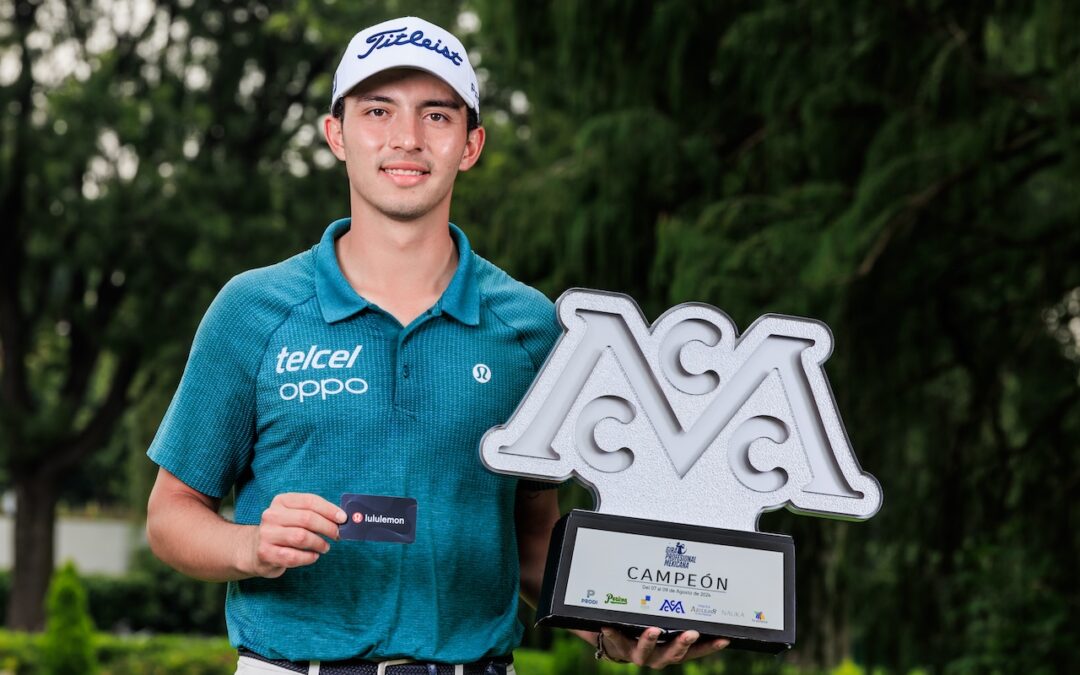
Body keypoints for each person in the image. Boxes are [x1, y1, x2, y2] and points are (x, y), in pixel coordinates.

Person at [145, 16, 729, 674]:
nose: (406, 139)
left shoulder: (529, 327)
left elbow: (531, 539)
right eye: (377, 110)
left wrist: (608, 623)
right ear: (336, 134)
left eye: (437, 116)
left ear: (471, 144)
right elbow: (170, 515)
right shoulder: (254, 310)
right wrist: (251, 544)